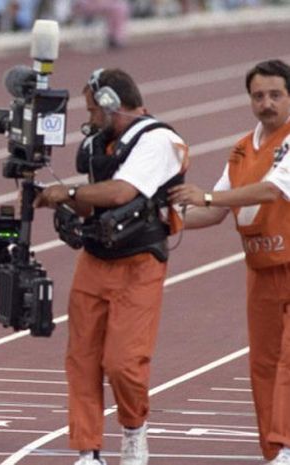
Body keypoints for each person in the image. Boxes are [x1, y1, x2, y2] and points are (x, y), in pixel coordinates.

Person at [35, 68, 188, 465]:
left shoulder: (160, 140)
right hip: (96, 258)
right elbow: (93, 201)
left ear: (110, 104)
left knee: (123, 363)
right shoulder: (97, 146)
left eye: (92, 108)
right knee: (81, 358)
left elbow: (123, 191)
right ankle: (88, 450)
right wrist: (64, 204)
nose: (88, 118)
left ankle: (135, 429)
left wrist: (66, 191)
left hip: (139, 262)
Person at [169, 59, 290, 465]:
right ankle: (274, 451)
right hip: (261, 270)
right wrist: (164, 220)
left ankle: (286, 445)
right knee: (264, 363)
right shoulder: (241, 149)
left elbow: (272, 192)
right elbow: (214, 212)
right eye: (258, 96)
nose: (266, 103)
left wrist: (205, 197)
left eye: (275, 94)